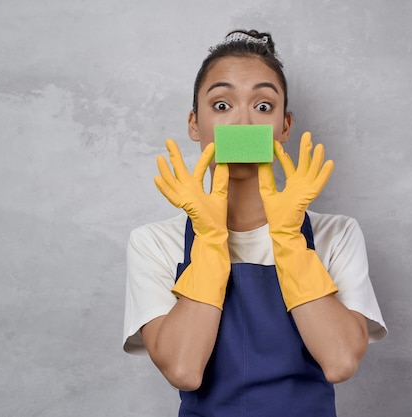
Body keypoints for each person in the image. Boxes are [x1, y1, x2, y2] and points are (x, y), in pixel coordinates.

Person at [123, 29, 387, 416]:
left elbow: (340, 361)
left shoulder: (337, 235)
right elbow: (183, 370)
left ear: (284, 126)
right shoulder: (154, 242)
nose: (243, 122)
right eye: (222, 105)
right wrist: (211, 240)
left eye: (263, 106)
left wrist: (288, 240)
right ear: (194, 124)